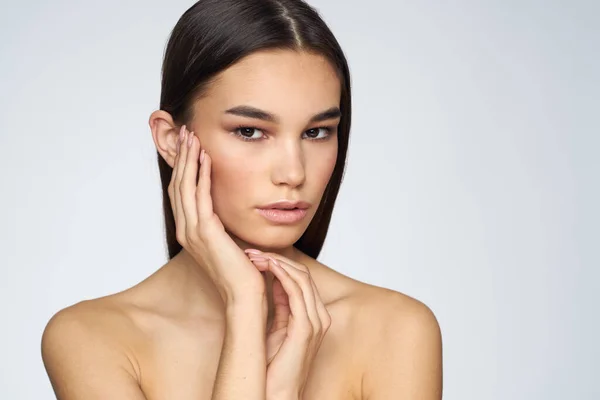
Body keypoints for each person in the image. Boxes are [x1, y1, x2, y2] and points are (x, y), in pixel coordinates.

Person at [41, 0, 442, 398]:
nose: (293, 173)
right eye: (250, 131)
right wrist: (245, 306)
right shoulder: (92, 337)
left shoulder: (396, 330)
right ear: (172, 141)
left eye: (316, 132)